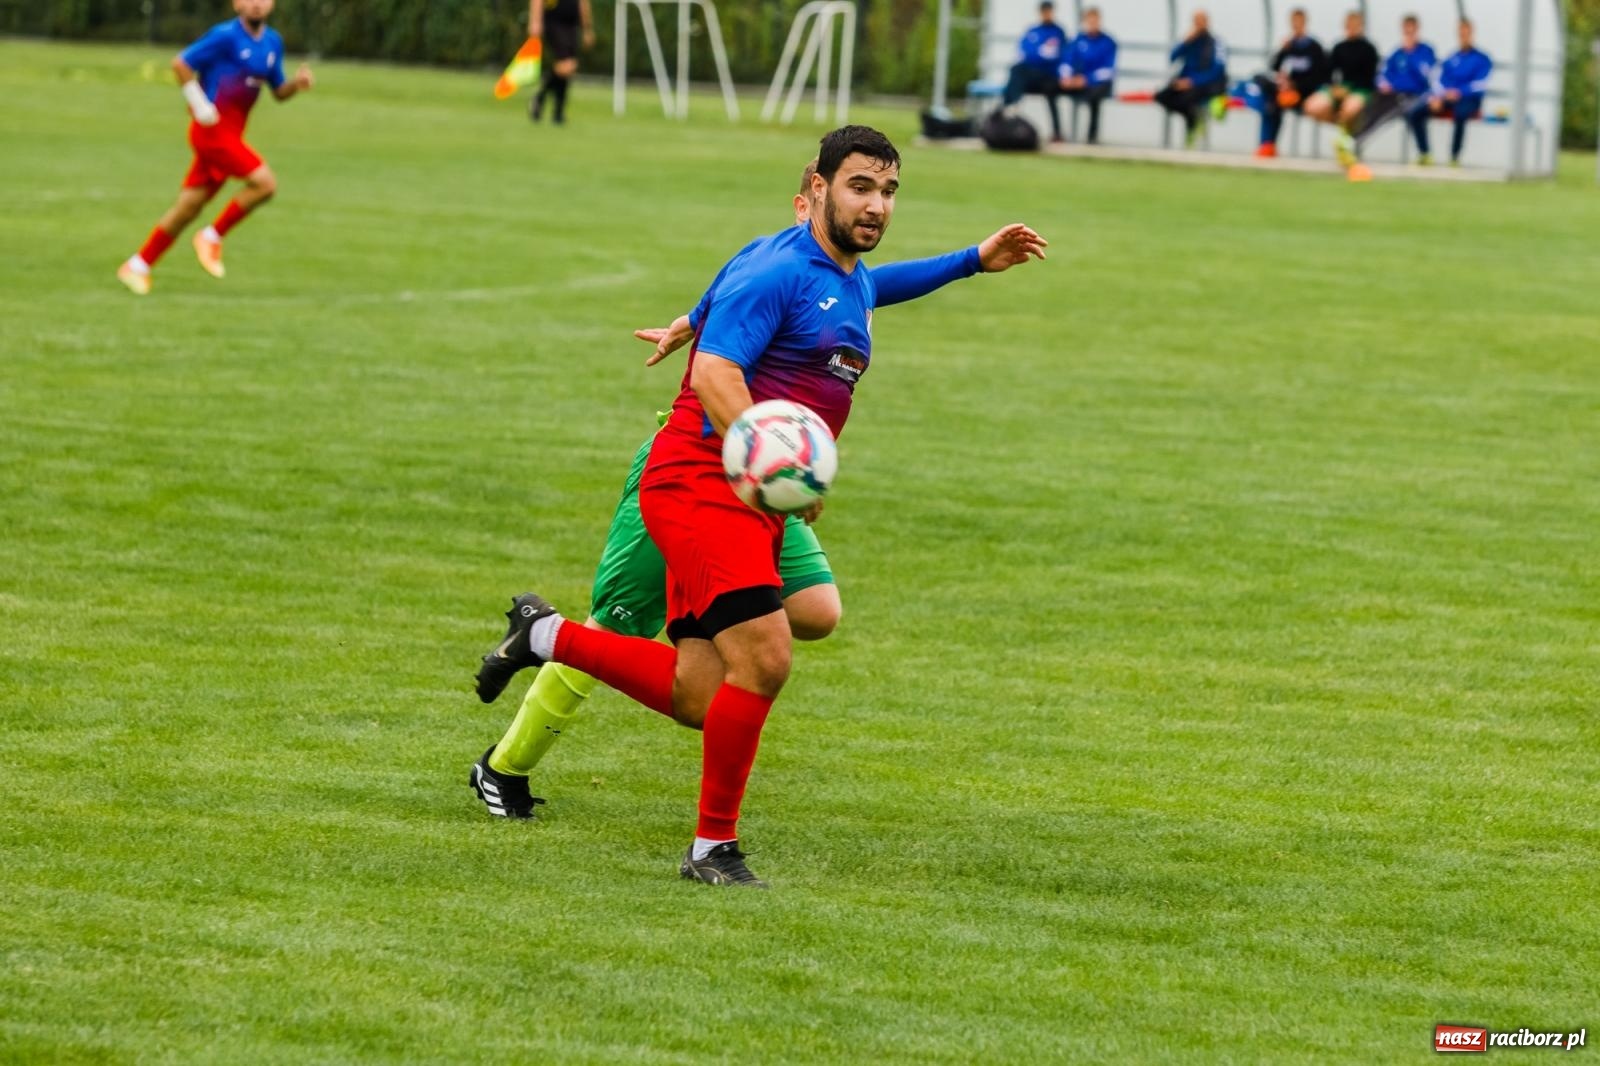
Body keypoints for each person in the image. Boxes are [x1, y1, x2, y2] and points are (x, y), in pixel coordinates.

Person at [472, 126, 1045, 888]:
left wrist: (973, 260)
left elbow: (878, 284)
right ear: (818, 186)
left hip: (752, 493)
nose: (876, 206)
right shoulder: (781, 267)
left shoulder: (844, 272)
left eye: (889, 191)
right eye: (860, 187)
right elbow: (715, 373)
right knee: (766, 656)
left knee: (702, 692)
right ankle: (712, 849)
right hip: (703, 480)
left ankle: (544, 632)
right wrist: (775, 456)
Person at [116, 0, 313, 296]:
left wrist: (296, 85)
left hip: (231, 135)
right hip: (212, 132)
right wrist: (200, 104)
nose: (256, 4)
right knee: (265, 184)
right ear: (237, 4)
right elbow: (181, 64)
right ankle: (212, 236)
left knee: (189, 207)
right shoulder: (224, 36)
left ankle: (138, 265)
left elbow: (278, 92)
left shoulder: (273, 43)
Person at [1302, 10, 1380, 168]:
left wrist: (1350, 91)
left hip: (1361, 90)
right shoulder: (1339, 47)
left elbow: (1370, 78)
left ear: (1361, 27)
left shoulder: (1369, 49)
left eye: (1355, 25)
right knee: (1311, 106)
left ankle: (1344, 141)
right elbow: (1328, 73)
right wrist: (1334, 88)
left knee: (1350, 107)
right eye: (1349, 25)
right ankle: (1346, 130)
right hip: (1340, 89)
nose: (1352, 28)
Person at [1246, 7, 1327, 158]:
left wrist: (1295, 85)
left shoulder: (1314, 48)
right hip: (1286, 92)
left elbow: (1320, 77)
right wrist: (1283, 50)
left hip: (1305, 94)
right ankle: (1267, 145)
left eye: (1299, 22)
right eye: (1294, 22)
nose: (1296, 26)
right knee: (1270, 103)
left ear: (1305, 23)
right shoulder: (1289, 46)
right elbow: (1273, 67)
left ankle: (1268, 145)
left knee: (1277, 101)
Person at [1154, 10, 1228, 147]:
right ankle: (1193, 118)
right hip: (1185, 82)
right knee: (1161, 96)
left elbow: (1217, 70)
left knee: (1187, 99)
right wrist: (1184, 42)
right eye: (1196, 21)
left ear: (1207, 22)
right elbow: (1172, 57)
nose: (1198, 24)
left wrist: (1192, 82)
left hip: (1205, 84)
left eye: (1201, 20)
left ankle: (1192, 130)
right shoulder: (1190, 41)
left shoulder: (1216, 42)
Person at [1001, 1, 1070, 143]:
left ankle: (1010, 106)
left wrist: (1039, 55)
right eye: (1044, 11)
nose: (1046, 14)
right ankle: (1010, 113)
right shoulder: (1033, 31)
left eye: (1048, 11)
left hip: (1048, 75)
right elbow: (1024, 52)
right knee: (1016, 71)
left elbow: (1057, 56)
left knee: (1019, 72)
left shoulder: (1058, 32)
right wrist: (1040, 54)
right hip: (1031, 75)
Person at [1377, 15, 1440, 164]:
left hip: (1421, 95)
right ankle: (1354, 144)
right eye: (1406, 31)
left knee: (1414, 111)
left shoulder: (1426, 51)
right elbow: (1383, 75)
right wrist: (1384, 85)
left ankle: (1424, 153)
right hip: (1398, 96)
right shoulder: (1397, 53)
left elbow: (1430, 76)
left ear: (1417, 30)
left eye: (1411, 30)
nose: (1409, 34)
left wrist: (1411, 55)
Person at [1432, 19, 1492, 167]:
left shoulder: (1482, 59)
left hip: (1470, 99)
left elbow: (1480, 84)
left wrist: (1460, 92)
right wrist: (1441, 95)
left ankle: (1454, 156)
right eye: (1461, 33)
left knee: (1460, 114)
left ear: (1472, 33)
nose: (1463, 36)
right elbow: (1440, 80)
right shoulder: (1452, 58)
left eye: (1466, 33)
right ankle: (1425, 153)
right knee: (1418, 111)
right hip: (1449, 97)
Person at [529, 0, 595, 124]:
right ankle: (540, 98)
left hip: (571, 23)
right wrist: (535, 21)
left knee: (569, 67)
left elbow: (584, 2)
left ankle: (557, 112)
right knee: (566, 64)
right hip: (553, 20)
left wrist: (587, 28)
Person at [1059, 7, 1117, 145]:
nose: (1092, 24)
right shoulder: (1077, 40)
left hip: (1098, 84)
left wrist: (1087, 79)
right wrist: (1066, 77)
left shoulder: (1108, 42)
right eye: (1089, 21)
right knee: (1049, 87)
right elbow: (1067, 61)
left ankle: (1092, 136)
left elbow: (1108, 71)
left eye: (1094, 21)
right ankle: (1058, 132)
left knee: (1095, 95)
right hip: (1076, 81)